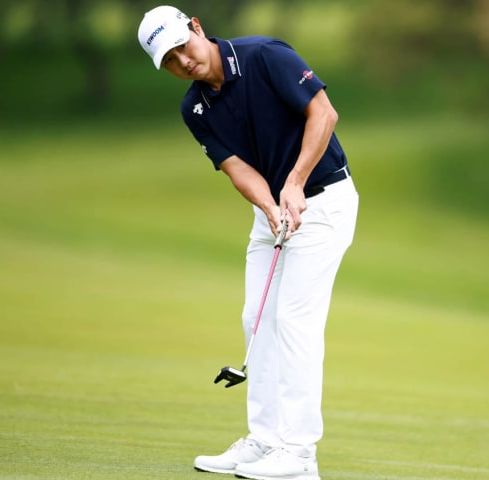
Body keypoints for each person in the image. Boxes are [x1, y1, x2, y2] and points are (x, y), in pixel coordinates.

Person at [137, 6, 358, 480]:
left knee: (294, 322)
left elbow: (324, 112)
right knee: (255, 318)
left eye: (183, 46)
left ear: (196, 27)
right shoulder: (193, 109)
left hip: (324, 201)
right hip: (275, 211)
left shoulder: (263, 55)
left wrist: (295, 183)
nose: (183, 61)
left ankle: (299, 455)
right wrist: (272, 207)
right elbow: (237, 168)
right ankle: (265, 441)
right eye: (169, 61)